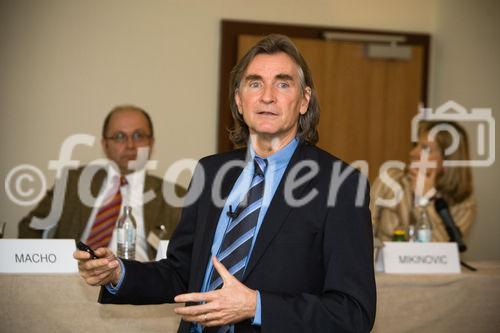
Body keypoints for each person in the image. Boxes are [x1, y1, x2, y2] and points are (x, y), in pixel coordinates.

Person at [75, 35, 376, 332]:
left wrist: (256, 307)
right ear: (239, 100)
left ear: (304, 101)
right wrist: (119, 273)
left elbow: (353, 313)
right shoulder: (211, 172)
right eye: (255, 83)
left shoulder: (341, 184)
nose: (267, 96)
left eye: (283, 83)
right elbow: (182, 273)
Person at [19, 105, 184, 260]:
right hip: (74, 278)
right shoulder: (72, 183)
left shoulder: (177, 197)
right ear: (105, 145)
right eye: (119, 136)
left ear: (151, 143)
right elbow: (30, 228)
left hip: (139, 283)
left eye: (138, 135)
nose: (130, 145)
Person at [370, 120, 476, 242]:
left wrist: (425, 199)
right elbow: (362, 230)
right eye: (416, 145)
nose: (412, 153)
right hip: (383, 260)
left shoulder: (464, 205)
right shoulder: (390, 179)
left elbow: (443, 252)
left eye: (425, 148)